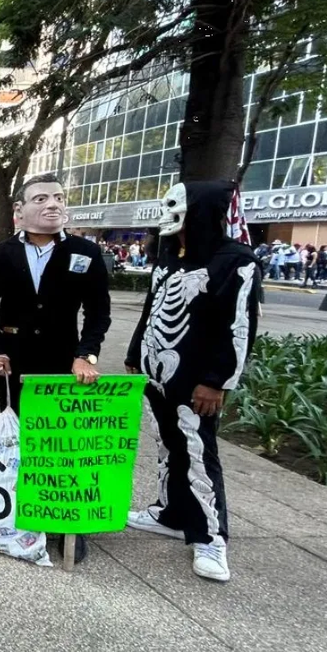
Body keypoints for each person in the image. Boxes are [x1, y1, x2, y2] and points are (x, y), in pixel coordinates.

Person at [125, 181, 262, 582]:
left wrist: (217, 381)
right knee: (169, 446)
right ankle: (170, 513)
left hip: (196, 379)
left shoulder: (235, 260)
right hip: (157, 372)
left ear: (198, 211)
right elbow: (152, 308)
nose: (167, 214)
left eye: (176, 207)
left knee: (199, 453)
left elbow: (239, 326)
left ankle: (210, 537)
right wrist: (136, 353)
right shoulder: (170, 253)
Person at [0, 174, 111, 563]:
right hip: (14, 359)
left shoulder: (85, 251)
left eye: (58, 197)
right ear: (20, 211)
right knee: (19, 433)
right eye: (41, 198)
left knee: (62, 440)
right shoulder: (1, 253)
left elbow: (99, 312)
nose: (52, 204)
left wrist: (86, 355)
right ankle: (24, 508)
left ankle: (67, 518)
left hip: (64, 361)